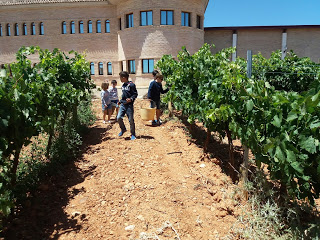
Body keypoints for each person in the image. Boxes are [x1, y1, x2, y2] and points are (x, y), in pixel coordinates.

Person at [117, 71, 138, 140]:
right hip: (123, 105)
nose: (119, 79)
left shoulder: (131, 85)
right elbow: (124, 95)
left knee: (130, 120)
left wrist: (131, 99)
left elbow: (135, 94)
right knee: (119, 117)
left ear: (123, 77)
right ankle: (123, 129)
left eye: (120, 77)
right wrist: (120, 101)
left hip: (129, 106)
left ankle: (133, 134)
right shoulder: (123, 86)